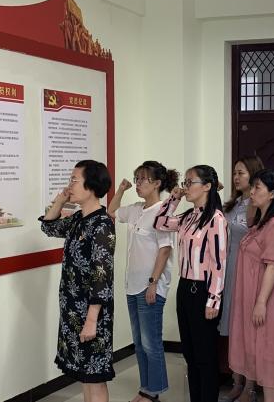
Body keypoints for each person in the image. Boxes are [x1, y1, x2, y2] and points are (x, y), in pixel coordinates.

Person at [40, 159, 116, 402]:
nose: (69, 185)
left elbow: (101, 276)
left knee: (95, 375)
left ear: (91, 186)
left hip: (92, 311)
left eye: (74, 180)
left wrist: (91, 320)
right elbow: (49, 227)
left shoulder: (102, 225)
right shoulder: (77, 219)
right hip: (73, 308)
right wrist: (60, 201)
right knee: (85, 374)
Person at [154, 165, 229, 402]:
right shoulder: (188, 216)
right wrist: (174, 198)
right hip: (185, 287)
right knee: (190, 352)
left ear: (207, 186)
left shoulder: (216, 219)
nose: (186, 187)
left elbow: (219, 263)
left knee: (205, 355)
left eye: (190, 182)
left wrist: (214, 299)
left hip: (204, 290)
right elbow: (160, 222)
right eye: (184, 182)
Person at [108, 161, 178, 402]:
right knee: (139, 343)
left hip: (151, 286)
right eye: (136, 178)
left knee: (151, 343)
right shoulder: (137, 209)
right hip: (132, 285)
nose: (138, 183)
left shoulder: (163, 212)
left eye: (143, 179)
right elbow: (112, 212)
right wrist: (121, 190)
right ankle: (145, 387)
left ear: (157, 183)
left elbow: (165, 250)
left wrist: (153, 283)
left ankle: (154, 390)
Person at [228, 168, 274, 402]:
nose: (252, 192)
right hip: (252, 292)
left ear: (272, 194)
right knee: (255, 348)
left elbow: (273, 266)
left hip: (267, 295)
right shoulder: (261, 222)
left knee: (269, 350)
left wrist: (261, 302)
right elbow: (249, 216)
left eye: (257, 188)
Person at [220, 156, 264, 401]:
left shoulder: (259, 204)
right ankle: (236, 381)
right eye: (235, 173)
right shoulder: (231, 204)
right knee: (233, 328)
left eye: (241, 173)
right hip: (228, 270)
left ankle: (250, 386)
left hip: (248, 270)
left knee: (248, 331)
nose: (236, 177)